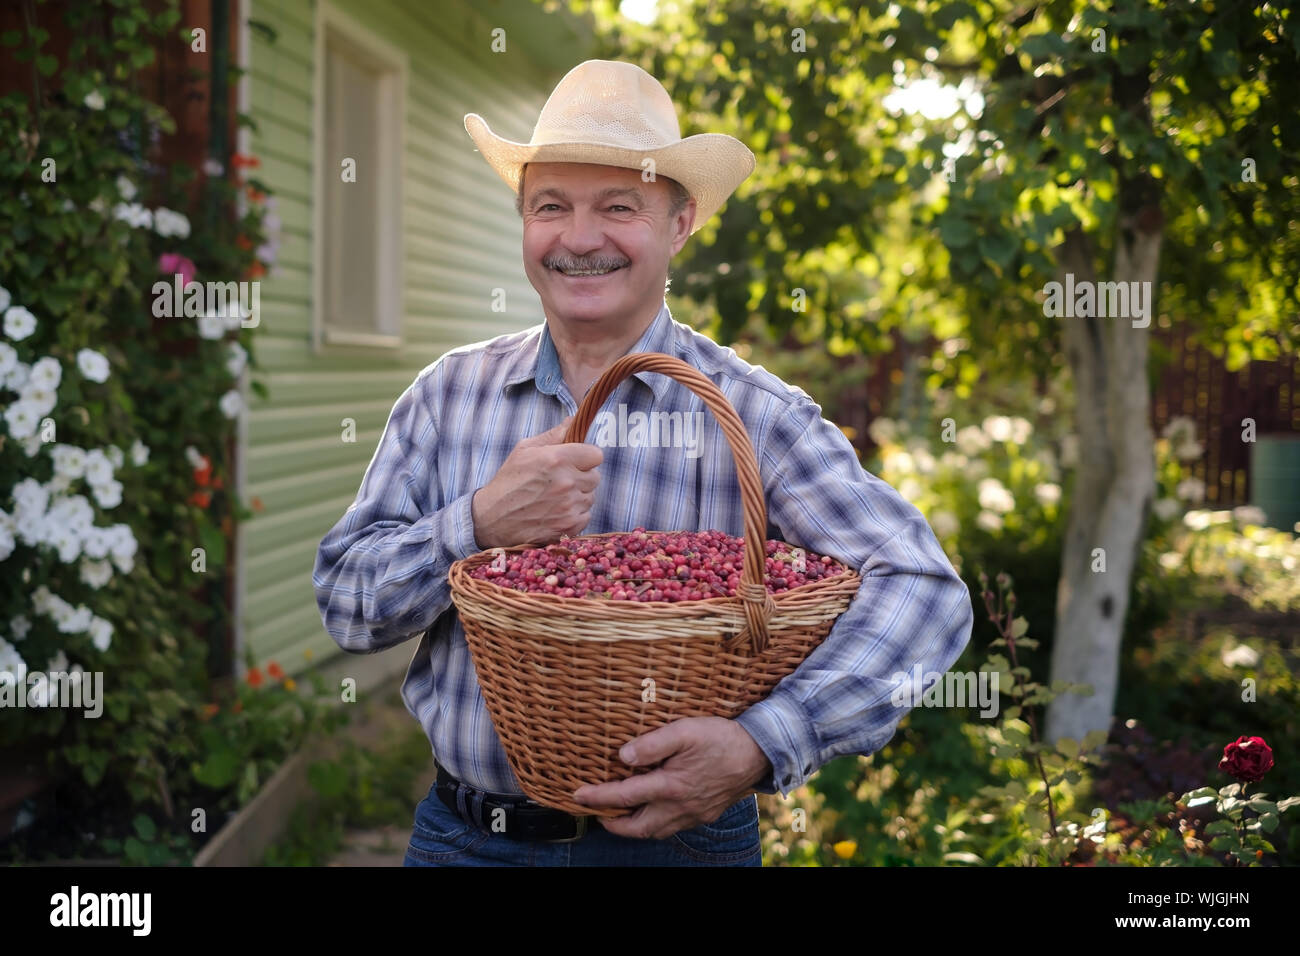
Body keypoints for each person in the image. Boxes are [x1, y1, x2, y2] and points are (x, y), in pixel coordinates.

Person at [313, 59, 974, 867]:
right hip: (467, 840)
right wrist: (476, 523)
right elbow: (348, 605)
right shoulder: (448, 395)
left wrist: (766, 741)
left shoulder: (757, 417)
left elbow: (923, 589)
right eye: (550, 206)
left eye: (618, 207)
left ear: (680, 224)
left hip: (682, 847)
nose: (580, 238)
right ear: (523, 220)